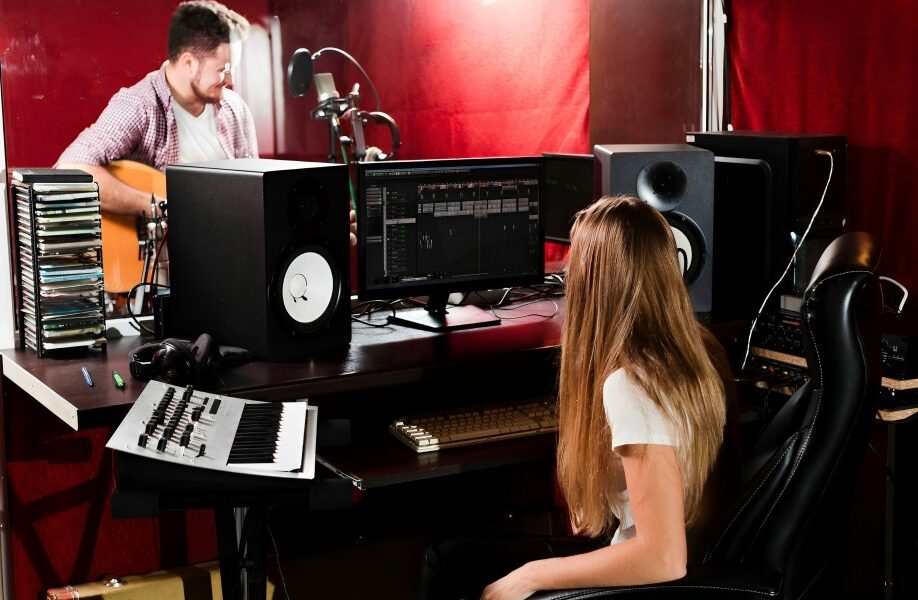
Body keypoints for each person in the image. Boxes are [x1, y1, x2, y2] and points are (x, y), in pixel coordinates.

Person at [419, 195, 727, 600]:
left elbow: (664, 557)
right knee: (449, 558)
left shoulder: (632, 384)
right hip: (685, 563)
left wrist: (532, 576)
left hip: (645, 581)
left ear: (592, 279)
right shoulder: (695, 352)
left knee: (453, 567)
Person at [56, 1, 258, 219]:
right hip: (158, 251)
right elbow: (70, 169)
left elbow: (255, 191)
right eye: (224, 69)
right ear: (189, 62)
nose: (231, 80)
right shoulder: (139, 105)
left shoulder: (236, 109)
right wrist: (162, 208)